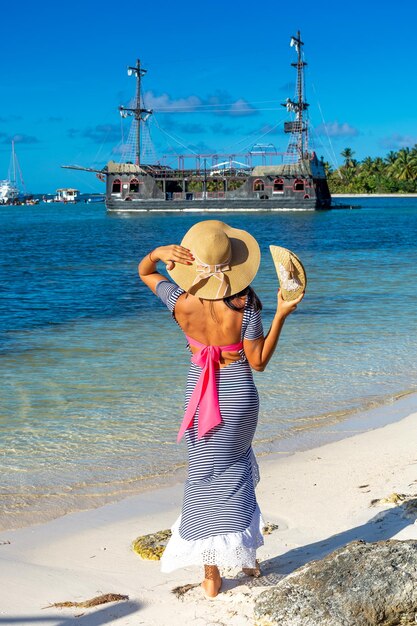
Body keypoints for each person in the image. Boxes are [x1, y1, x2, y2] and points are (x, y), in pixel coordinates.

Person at [138, 220, 303, 598]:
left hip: (199, 397)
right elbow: (258, 362)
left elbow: (144, 271)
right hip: (239, 396)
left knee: (203, 478)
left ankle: (211, 574)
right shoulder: (246, 305)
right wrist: (280, 314)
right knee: (237, 469)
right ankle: (247, 558)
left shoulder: (177, 298)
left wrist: (158, 253)